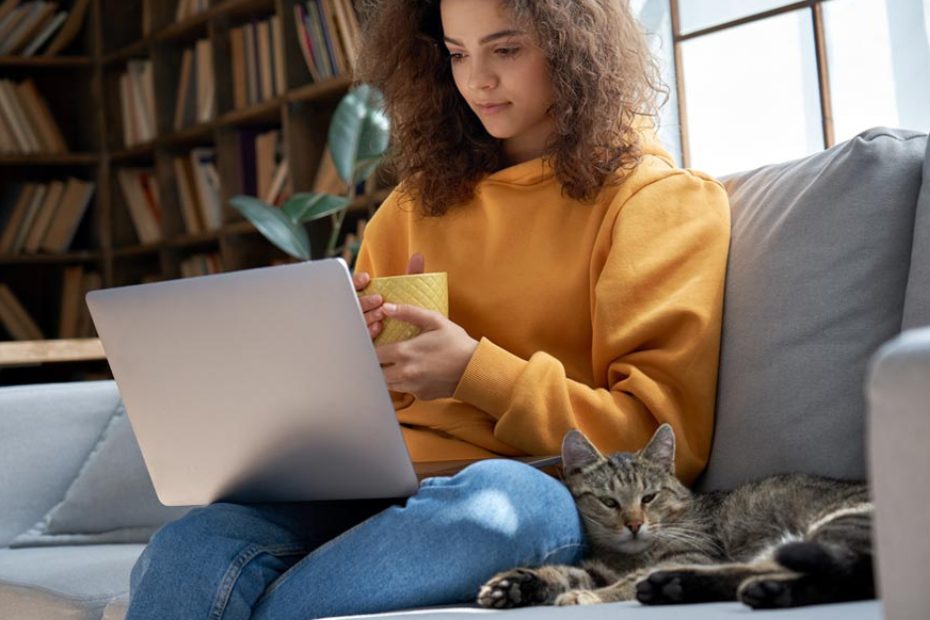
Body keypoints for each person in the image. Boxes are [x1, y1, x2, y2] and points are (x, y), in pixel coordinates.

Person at [125, 0, 730, 618]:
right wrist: (347, 359)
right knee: (193, 544)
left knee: (505, 508)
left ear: (577, 51)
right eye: (457, 53)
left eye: (506, 49)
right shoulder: (415, 204)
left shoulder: (659, 202)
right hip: (372, 488)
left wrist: (472, 368)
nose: (477, 81)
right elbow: (380, 405)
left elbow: (656, 435)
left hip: (529, 487)